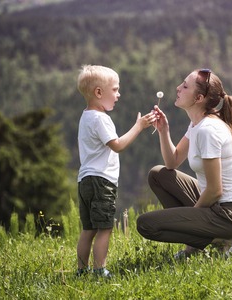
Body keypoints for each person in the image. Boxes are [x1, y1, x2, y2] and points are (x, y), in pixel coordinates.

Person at [137, 68, 232, 259]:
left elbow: (215, 190)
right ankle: (207, 237)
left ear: (199, 98)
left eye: (185, 86)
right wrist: (163, 131)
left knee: (146, 224)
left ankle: (223, 240)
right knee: (158, 175)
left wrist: (190, 218)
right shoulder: (197, 124)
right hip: (216, 206)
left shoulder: (207, 130)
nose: (178, 88)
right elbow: (172, 162)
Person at [76, 65, 156, 277]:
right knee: (105, 228)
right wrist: (139, 126)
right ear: (99, 93)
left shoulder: (86, 116)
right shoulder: (101, 119)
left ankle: (81, 271)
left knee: (88, 229)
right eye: (115, 90)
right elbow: (118, 145)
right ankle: (99, 269)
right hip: (101, 181)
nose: (118, 95)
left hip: (84, 180)